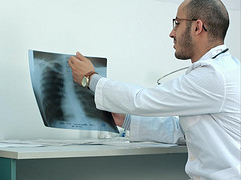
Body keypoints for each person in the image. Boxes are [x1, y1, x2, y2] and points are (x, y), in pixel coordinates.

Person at [68, 0, 240, 179]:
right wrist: (125, 120)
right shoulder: (223, 70)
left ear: (197, 27)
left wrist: (90, 78)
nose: (171, 33)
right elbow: (182, 130)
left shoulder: (214, 75)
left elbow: (141, 99)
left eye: (177, 23)